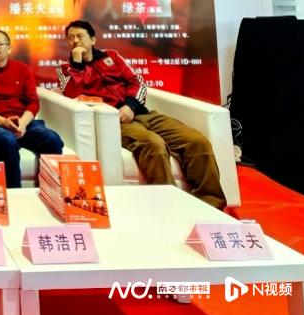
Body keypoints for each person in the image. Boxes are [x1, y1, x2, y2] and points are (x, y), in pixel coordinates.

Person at [57, 20, 226, 209]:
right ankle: (169, 207)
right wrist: (77, 65)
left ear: (93, 39)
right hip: (114, 121)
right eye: (70, 38)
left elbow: (137, 82)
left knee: (196, 141)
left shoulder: (112, 57)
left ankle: (212, 205)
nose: (75, 41)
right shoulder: (65, 68)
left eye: (80, 36)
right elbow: (71, 93)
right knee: (154, 145)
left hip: (140, 113)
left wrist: (131, 106)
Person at [0, 29, 63, 188]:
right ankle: (14, 193)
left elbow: (33, 102)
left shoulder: (22, 69)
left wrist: (22, 124)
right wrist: (4, 122)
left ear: (9, 48)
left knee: (52, 139)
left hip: (24, 123)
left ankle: (50, 190)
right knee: (7, 140)